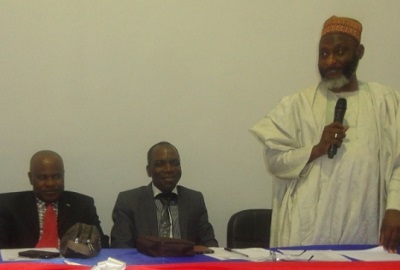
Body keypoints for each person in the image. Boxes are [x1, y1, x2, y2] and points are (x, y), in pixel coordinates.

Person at [250, 16, 400, 252]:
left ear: (359, 52)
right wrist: (316, 149)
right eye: (324, 53)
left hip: (365, 224)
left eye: (340, 52)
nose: (331, 61)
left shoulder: (385, 101)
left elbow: (398, 163)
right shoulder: (297, 105)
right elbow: (275, 161)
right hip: (308, 231)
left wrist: (395, 208)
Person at [110, 141, 218, 250]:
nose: (169, 169)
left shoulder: (195, 199)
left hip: (187, 265)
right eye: (159, 164)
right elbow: (120, 248)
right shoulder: (128, 201)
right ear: (148, 171)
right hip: (146, 265)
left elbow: (210, 244)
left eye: (175, 163)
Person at [0, 150, 108, 248]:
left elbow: (100, 245)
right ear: (31, 178)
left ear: (63, 176)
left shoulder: (82, 205)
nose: (50, 183)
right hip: (23, 267)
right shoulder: (8, 205)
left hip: (69, 266)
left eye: (56, 177)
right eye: (42, 177)